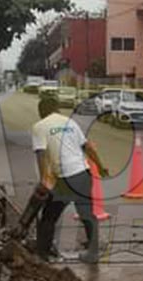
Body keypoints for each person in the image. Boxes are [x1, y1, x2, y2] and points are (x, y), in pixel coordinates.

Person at [31, 95, 108, 264]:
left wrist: (44, 181)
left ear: (41, 112)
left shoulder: (39, 127)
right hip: (84, 175)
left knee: (49, 216)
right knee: (87, 214)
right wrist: (101, 167)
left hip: (66, 178)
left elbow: (41, 154)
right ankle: (93, 253)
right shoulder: (70, 123)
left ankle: (42, 254)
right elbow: (88, 147)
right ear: (57, 109)